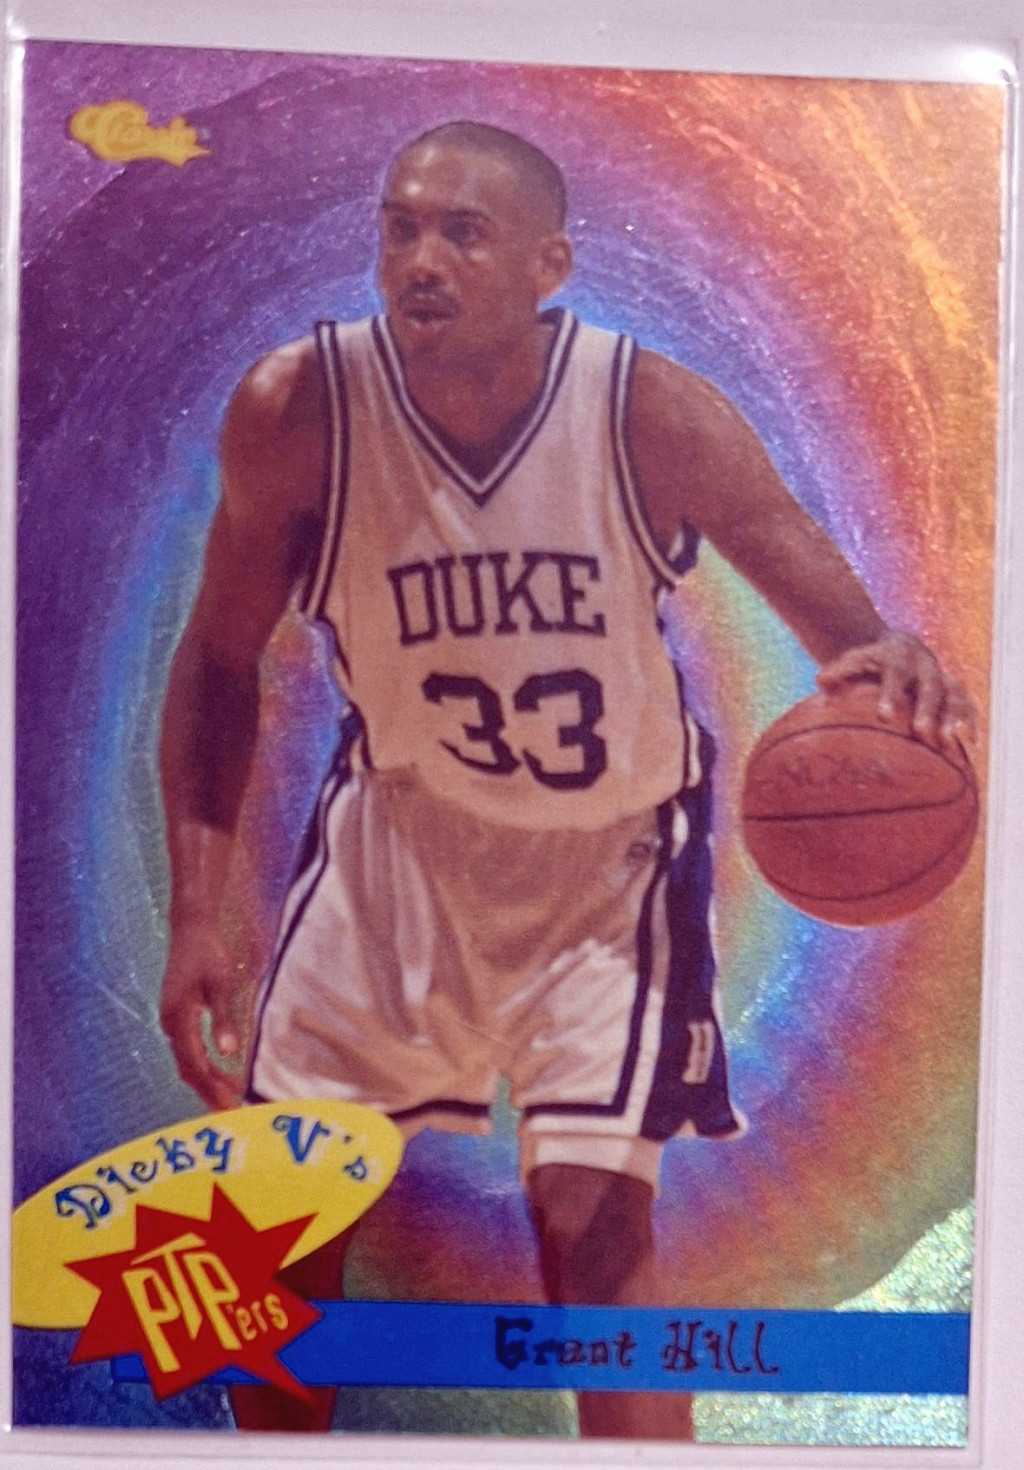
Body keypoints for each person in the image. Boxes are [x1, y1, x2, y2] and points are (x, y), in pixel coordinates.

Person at [158, 121, 975, 1438]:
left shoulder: (648, 410)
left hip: (606, 872)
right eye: (401, 228)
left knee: (595, 1230)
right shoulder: (297, 410)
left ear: (550, 265)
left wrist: (899, 668)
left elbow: (853, 638)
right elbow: (215, 660)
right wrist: (199, 908)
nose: (422, 260)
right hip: (393, 852)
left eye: (463, 233)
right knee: (281, 1223)